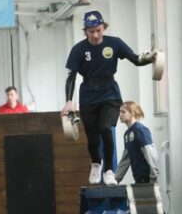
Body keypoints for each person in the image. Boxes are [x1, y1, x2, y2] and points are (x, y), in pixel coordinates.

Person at [61, 10, 156, 186]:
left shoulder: (115, 43)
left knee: (106, 128)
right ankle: (96, 163)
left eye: (98, 30)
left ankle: (109, 171)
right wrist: (68, 101)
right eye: (91, 32)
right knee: (92, 138)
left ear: (103, 27)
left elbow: (136, 59)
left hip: (110, 94)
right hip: (88, 96)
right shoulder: (78, 49)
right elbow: (71, 77)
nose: (96, 35)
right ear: (85, 31)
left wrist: (150, 58)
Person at [111, 101, 160, 185]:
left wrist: (153, 178)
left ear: (132, 113)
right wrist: (115, 180)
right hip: (138, 180)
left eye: (123, 112)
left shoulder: (140, 130)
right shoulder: (127, 134)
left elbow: (151, 155)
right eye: (120, 111)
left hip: (148, 180)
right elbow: (125, 160)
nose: (120, 115)